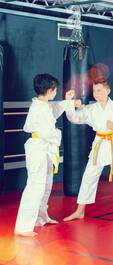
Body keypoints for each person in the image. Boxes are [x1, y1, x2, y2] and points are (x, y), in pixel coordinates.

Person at [63, 78, 113, 222]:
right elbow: (74, 118)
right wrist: (69, 104)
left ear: (108, 91)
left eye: (99, 90)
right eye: (94, 90)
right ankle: (80, 210)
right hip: (100, 144)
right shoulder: (90, 109)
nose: (96, 93)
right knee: (89, 177)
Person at [14, 74, 76, 237]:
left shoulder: (43, 105)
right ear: (50, 91)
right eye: (55, 89)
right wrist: (57, 134)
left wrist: (67, 101)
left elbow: (54, 110)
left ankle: (40, 218)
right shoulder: (40, 108)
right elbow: (49, 132)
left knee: (46, 184)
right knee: (35, 186)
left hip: (45, 149)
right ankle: (23, 226)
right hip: (39, 149)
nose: (56, 92)